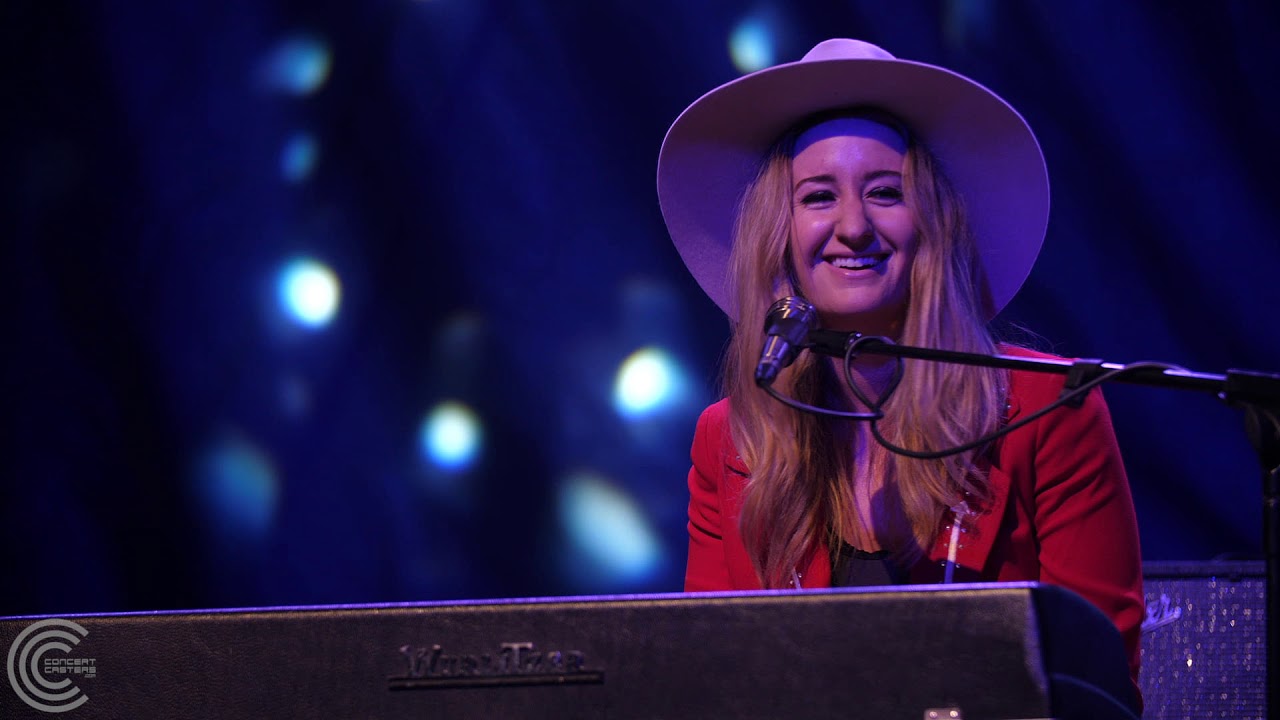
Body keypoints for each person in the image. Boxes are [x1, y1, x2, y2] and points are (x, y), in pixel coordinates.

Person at [656, 38, 1145, 701]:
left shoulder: (1049, 404)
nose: (853, 226)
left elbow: (1099, 685)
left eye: (886, 193)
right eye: (818, 197)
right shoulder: (731, 437)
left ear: (932, 226)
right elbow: (708, 684)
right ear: (781, 235)